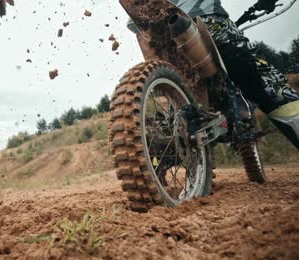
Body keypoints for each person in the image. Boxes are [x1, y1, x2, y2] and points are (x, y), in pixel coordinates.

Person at [127, 0, 299, 149]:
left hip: (158, 41)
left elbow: (132, 22)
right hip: (210, 24)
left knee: (177, 97)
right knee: (271, 86)